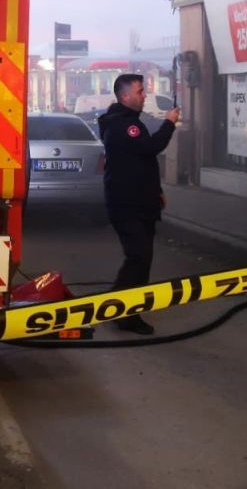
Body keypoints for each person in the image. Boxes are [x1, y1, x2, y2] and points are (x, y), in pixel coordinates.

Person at [97, 73, 181, 335]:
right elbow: (150, 148)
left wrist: (156, 191)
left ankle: (121, 308)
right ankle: (123, 312)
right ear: (125, 96)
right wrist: (169, 123)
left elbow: (141, 163)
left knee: (141, 260)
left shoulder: (127, 121)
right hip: (128, 205)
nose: (144, 96)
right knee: (139, 257)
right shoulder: (124, 125)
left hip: (141, 202)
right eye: (140, 92)